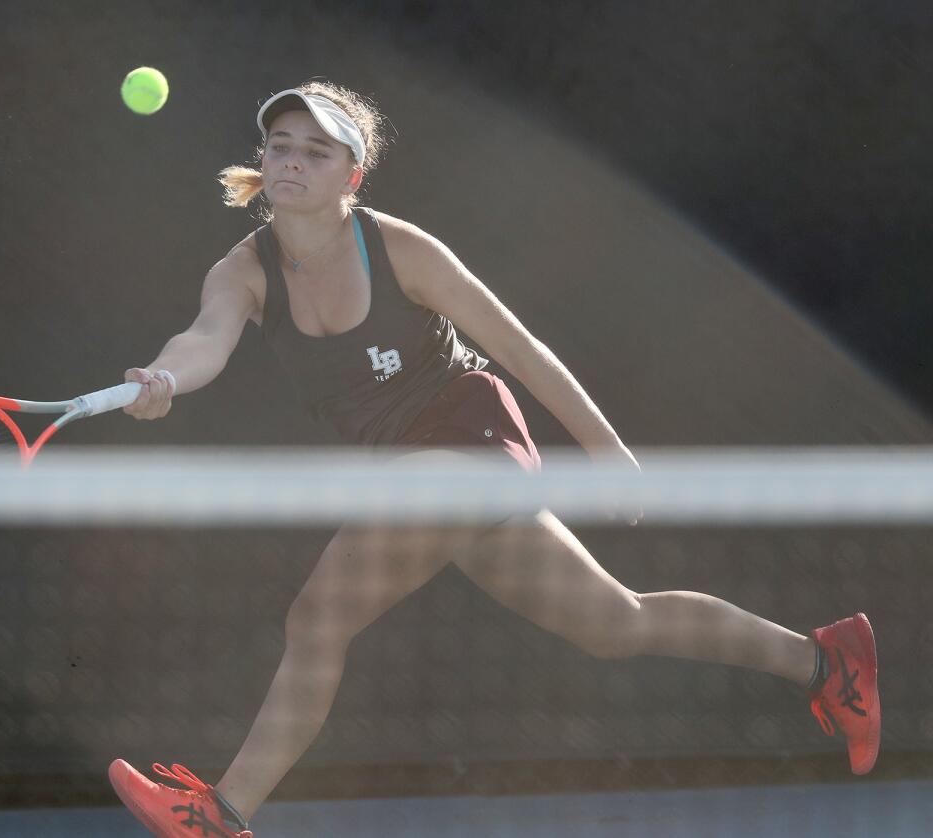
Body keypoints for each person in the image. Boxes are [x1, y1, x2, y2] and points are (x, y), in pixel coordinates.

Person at [107, 82, 880, 837]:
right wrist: (163, 378)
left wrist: (608, 451)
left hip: (466, 439)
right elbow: (203, 340)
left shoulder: (402, 249)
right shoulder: (243, 270)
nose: (292, 161)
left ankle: (222, 815)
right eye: (280, 146)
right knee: (613, 622)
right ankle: (825, 663)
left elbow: (521, 348)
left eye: (316, 150)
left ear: (352, 174)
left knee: (318, 616)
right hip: (409, 469)